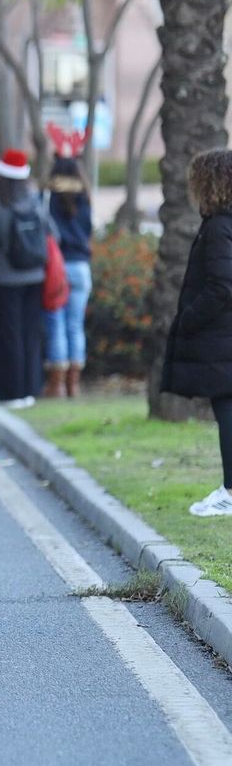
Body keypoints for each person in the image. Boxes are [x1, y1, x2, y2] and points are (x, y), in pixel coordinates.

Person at [162, 149, 232, 518]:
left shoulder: (220, 226)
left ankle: (230, 491)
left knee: (227, 408)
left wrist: (189, 319)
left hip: (220, 335)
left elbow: (222, 286)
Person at [0, 149, 53, 408]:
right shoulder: (35, 201)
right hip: (35, 276)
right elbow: (52, 235)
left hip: (3, 280)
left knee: (8, 336)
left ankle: (11, 393)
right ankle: (31, 389)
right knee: (30, 333)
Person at [44, 130, 93, 397]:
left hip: (58, 269)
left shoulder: (51, 200)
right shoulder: (85, 198)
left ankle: (58, 384)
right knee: (75, 325)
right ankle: (75, 383)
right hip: (82, 268)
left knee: (57, 325)